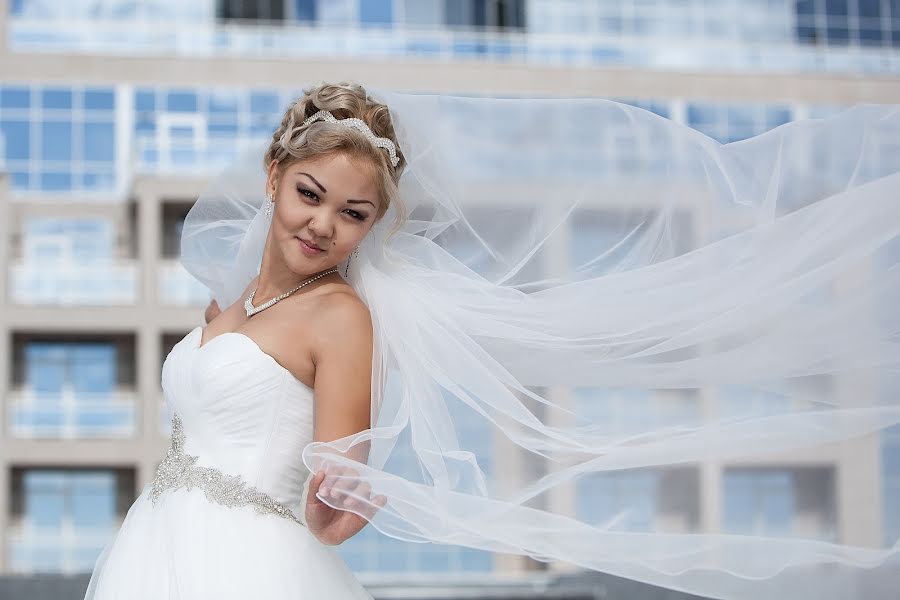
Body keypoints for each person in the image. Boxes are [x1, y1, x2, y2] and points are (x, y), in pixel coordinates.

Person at [86, 82, 900, 600]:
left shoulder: (341, 317)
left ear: (373, 225)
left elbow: (339, 481)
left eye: (353, 213)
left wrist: (334, 520)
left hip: (251, 569)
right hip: (153, 542)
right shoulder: (225, 304)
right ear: (272, 176)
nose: (323, 224)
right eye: (309, 194)